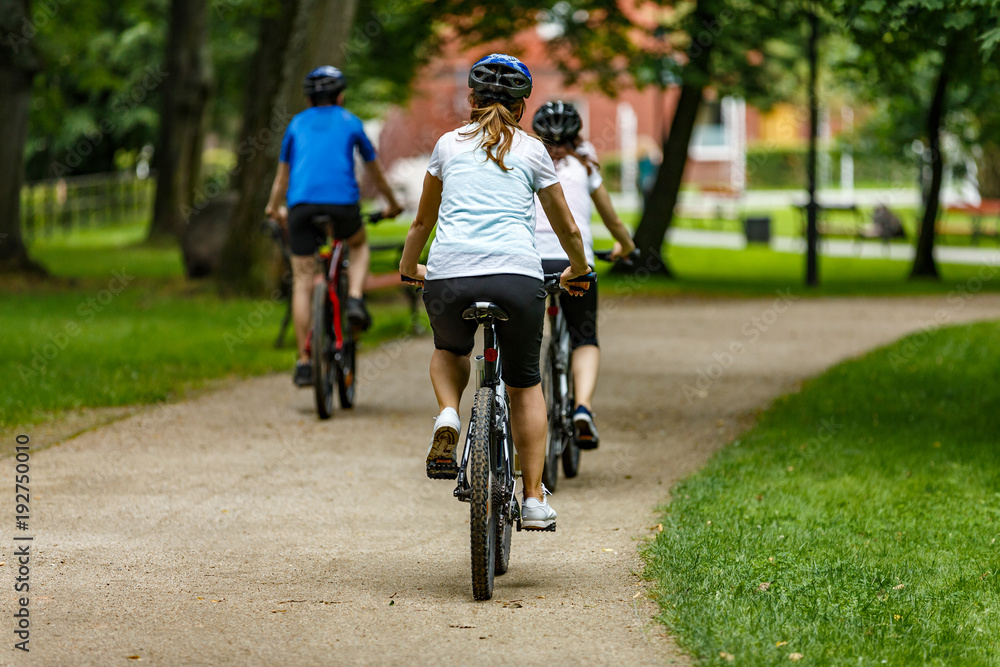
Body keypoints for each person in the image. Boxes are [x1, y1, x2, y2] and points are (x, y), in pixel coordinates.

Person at [398, 54, 591, 531]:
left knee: (450, 350)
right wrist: (579, 269)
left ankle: (449, 414)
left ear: (471, 98)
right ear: (523, 106)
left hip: (450, 277)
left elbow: (422, 221)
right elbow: (567, 226)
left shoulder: (447, 145)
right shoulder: (533, 151)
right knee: (525, 384)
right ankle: (533, 499)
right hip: (517, 278)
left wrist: (409, 267)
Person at [265, 66, 403, 387]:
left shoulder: (296, 124)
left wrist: (273, 208)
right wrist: (392, 204)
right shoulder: (351, 122)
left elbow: (282, 177)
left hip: (300, 207)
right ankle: (353, 298)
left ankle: (304, 361)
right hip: (342, 206)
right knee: (358, 244)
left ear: (308, 99)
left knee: (302, 280)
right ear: (340, 96)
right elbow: (376, 170)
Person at [531, 101, 636, 450]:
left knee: (525, 338)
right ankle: (582, 408)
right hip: (575, 263)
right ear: (576, 134)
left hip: (529, 261)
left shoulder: (525, 156)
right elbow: (611, 218)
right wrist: (625, 246)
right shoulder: (585, 161)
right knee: (584, 337)